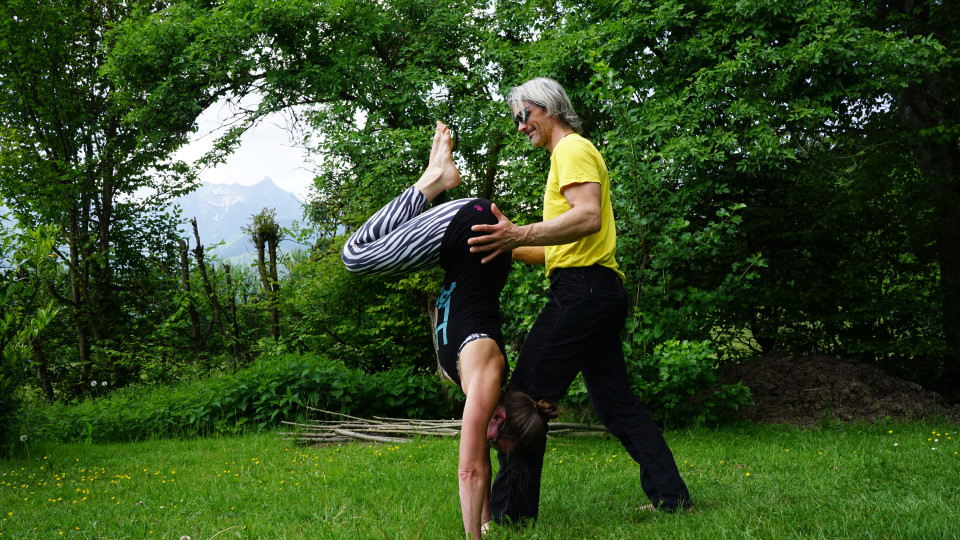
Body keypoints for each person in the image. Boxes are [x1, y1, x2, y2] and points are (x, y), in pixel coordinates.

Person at [467, 77, 694, 527]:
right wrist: (504, 244)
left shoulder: (571, 150)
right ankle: (672, 498)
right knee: (617, 404)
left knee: (520, 401)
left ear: (547, 108)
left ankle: (511, 518)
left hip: (583, 293)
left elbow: (587, 217)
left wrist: (520, 232)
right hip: (597, 291)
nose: (519, 126)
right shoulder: (570, 155)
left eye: (523, 115)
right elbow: (563, 246)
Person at [340, 121, 559, 538]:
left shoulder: (490, 393)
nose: (490, 443)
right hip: (469, 226)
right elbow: (470, 468)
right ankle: (436, 178)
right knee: (355, 255)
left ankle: (438, 178)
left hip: (468, 246)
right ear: (498, 414)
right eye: (498, 437)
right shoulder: (486, 378)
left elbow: (482, 456)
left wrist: (487, 521)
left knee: (363, 255)